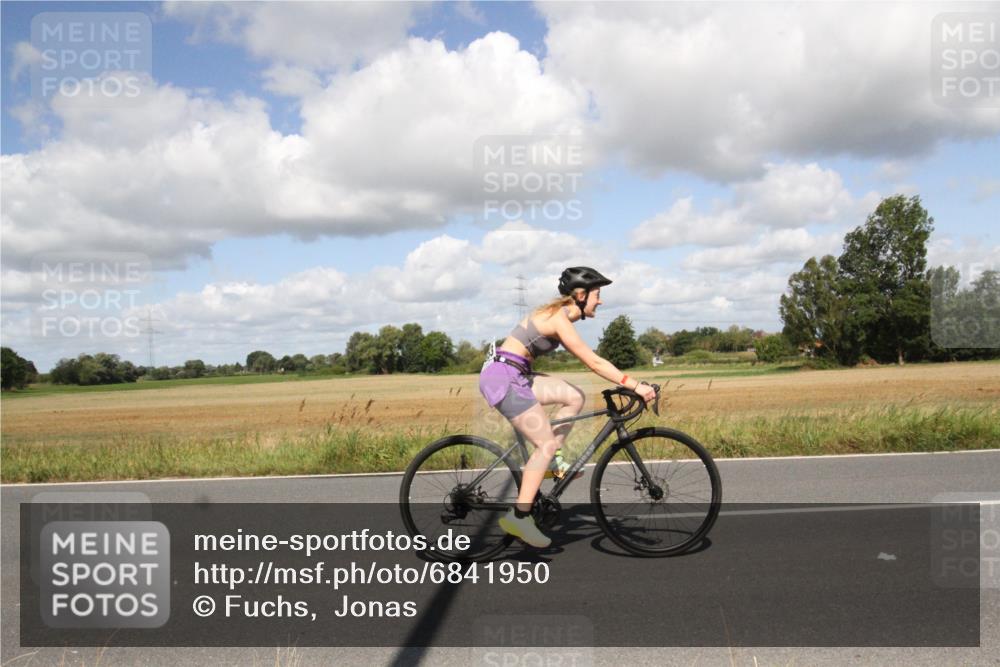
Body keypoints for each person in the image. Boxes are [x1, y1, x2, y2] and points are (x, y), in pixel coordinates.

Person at [478, 266, 657, 548]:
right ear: (581, 294)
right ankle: (519, 516)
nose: (601, 301)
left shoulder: (556, 316)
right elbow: (593, 361)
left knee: (574, 396)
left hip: (514, 374)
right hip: (505, 378)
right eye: (598, 294)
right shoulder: (558, 319)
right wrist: (634, 385)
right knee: (544, 445)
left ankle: (554, 463)